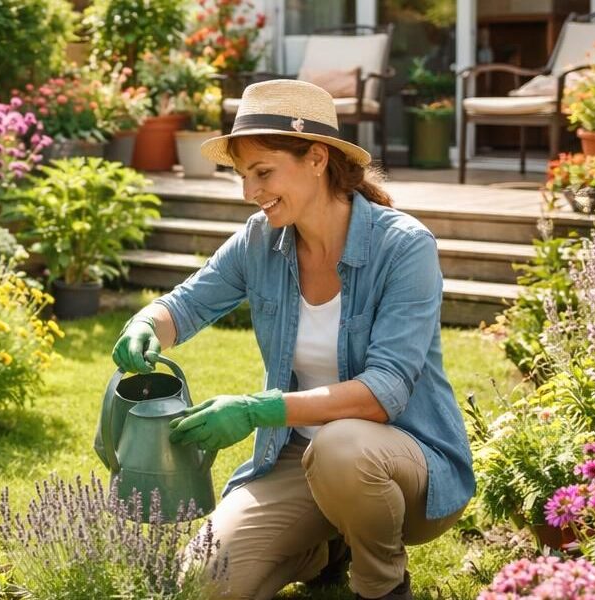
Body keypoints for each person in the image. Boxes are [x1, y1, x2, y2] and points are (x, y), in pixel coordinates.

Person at [110, 79, 473, 600]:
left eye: (263, 172)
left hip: (404, 463)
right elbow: (185, 304)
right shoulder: (261, 240)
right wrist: (146, 323)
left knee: (341, 446)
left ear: (317, 159)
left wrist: (258, 410)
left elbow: (383, 393)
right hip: (298, 460)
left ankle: (381, 583)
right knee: (202, 584)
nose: (249, 193)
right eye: (242, 176)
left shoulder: (403, 247)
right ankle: (325, 549)